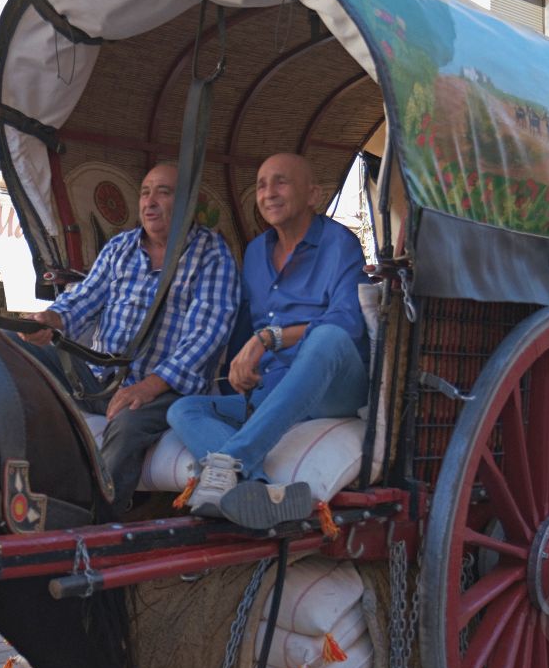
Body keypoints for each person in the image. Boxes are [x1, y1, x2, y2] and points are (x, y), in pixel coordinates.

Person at [19, 162, 239, 513]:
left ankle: (97, 521)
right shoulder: (120, 247)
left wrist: (148, 387)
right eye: (145, 193)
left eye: (163, 192)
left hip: (163, 391)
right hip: (99, 381)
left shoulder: (211, 254)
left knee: (126, 429)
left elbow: (206, 335)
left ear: (189, 201)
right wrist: (50, 320)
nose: (149, 202)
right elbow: (81, 301)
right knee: (14, 347)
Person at [166, 153, 369, 529]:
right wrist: (240, 369)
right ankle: (258, 488)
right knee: (184, 410)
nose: (268, 193)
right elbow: (246, 326)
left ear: (313, 195)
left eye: (281, 182)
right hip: (273, 388)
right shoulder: (256, 251)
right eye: (261, 185)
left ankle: (229, 464)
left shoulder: (339, 243)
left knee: (326, 336)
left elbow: (348, 322)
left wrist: (269, 339)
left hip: (333, 388)